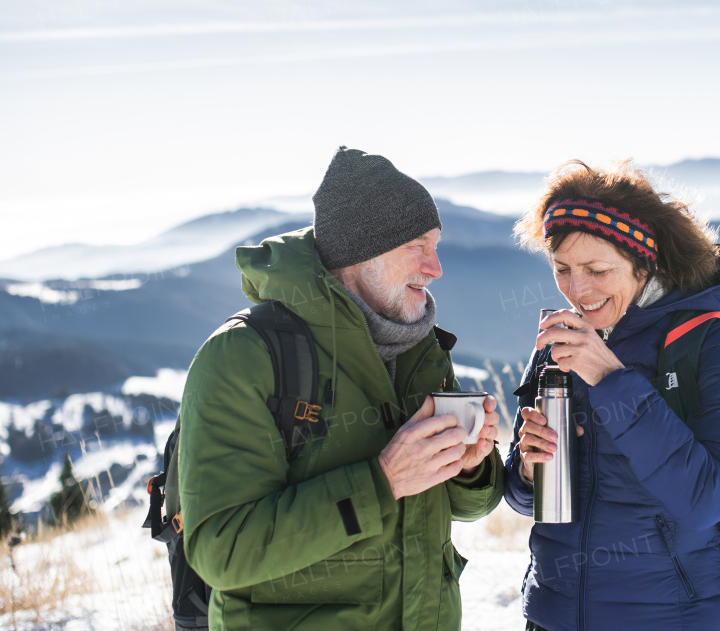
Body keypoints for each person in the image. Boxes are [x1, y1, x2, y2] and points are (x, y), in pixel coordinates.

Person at [178, 147, 505, 631]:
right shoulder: (244, 355)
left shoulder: (418, 349)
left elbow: (465, 506)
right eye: (418, 245)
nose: (436, 268)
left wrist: (471, 468)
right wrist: (382, 482)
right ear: (362, 252)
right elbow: (223, 551)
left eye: (436, 245)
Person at [504, 160, 720, 631]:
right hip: (553, 612)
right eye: (561, 269)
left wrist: (611, 378)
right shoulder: (562, 340)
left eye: (597, 270)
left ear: (645, 263)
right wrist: (526, 467)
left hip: (672, 616)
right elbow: (524, 501)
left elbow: (708, 499)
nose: (577, 291)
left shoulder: (713, 340)